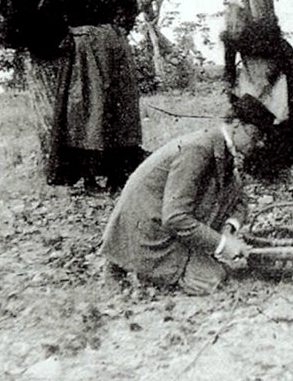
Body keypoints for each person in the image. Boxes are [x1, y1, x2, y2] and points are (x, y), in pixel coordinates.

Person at [101, 115, 255, 294]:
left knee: (234, 184)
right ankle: (130, 265)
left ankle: (171, 263)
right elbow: (175, 218)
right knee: (210, 279)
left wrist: (228, 229)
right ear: (236, 124)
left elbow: (240, 198)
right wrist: (223, 245)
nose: (258, 143)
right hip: (146, 232)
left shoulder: (220, 146)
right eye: (255, 135)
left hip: (161, 223)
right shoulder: (198, 149)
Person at [39, 0, 143, 191]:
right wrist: (68, 36)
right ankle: (88, 177)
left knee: (118, 108)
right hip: (85, 53)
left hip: (115, 51)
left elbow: (131, 9)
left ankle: (117, 175)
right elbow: (46, 9)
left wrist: (119, 30)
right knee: (88, 110)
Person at [222, 16, 293, 180]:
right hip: (256, 89)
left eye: (238, 25)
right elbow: (229, 69)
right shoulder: (234, 42)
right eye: (230, 26)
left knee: (287, 128)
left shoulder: (277, 46)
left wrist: (272, 87)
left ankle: (276, 165)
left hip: (282, 88)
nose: (234, 29)